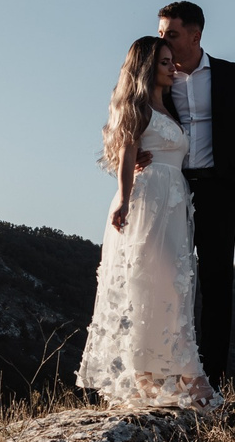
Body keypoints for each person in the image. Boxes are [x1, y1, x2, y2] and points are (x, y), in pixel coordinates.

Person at [76, 36, 218, 407]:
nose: (172, 68)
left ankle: (158, 377)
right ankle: (172, 378)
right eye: (164, 63)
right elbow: (126, 152)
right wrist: (124, 197)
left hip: (175, 203)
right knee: (150, 283)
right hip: (148, 200)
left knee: (173, 285)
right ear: (146, 69)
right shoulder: (138, 107)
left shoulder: (169, 106)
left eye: (172, 62)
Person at [156, 0, 235, 390]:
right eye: (161, 32)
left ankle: (212, 382)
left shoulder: (233, 75)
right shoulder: (158, 77)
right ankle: (171, 375)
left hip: (220, 191)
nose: (163, 39)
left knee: (216, 283)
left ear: (195, 35)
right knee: (170, 280)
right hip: (173, 188)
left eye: (171, 33)